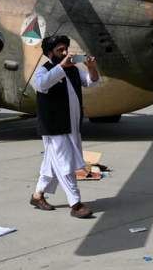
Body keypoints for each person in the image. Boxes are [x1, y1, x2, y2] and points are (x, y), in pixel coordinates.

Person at [30, 35, 100, 218]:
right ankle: (76, 204)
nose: (65, 53)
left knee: (52, 164)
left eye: (65, 49)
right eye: (60, 50)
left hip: (72, 126)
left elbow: (92, 81)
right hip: (54, 128)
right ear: (50, 53)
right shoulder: (44, 70)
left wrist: (92, 68)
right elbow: (40, 84)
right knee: (65, 163)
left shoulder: (74, 70)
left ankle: (37, 195)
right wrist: (61, 67)